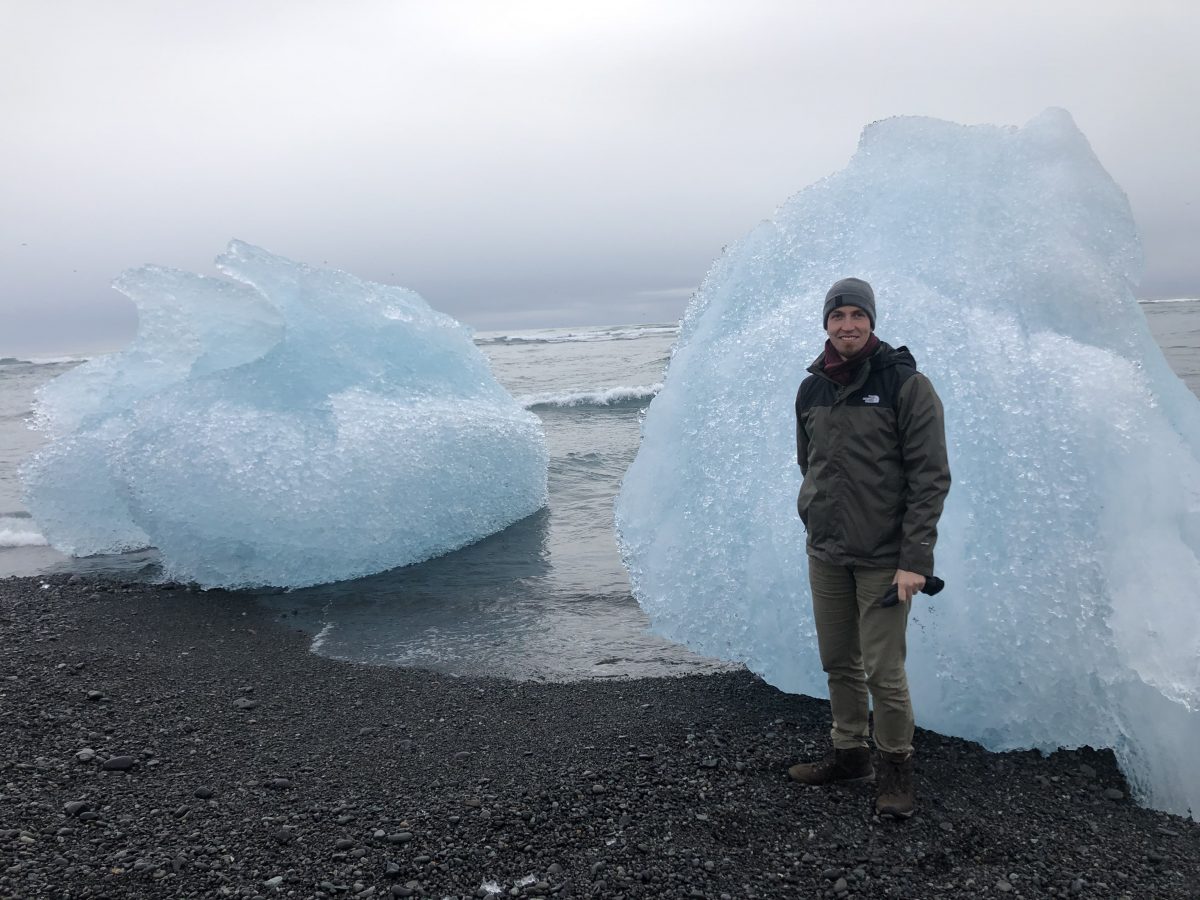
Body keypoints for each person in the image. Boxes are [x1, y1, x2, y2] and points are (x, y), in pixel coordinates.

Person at [789, 277, 950, 819]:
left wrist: (915, 560)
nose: (848, 325)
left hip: (885, 557)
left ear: (872, 321)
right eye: (838, 316)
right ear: (826, 323)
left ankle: (896, 768)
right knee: (838, 661)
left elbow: (930, 476)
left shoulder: (905, 384)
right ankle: (850, 754)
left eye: (858, 315)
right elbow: (809, 462)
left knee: (883, 670)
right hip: (827, 552)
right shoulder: (812, 389)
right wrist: (814, 513)